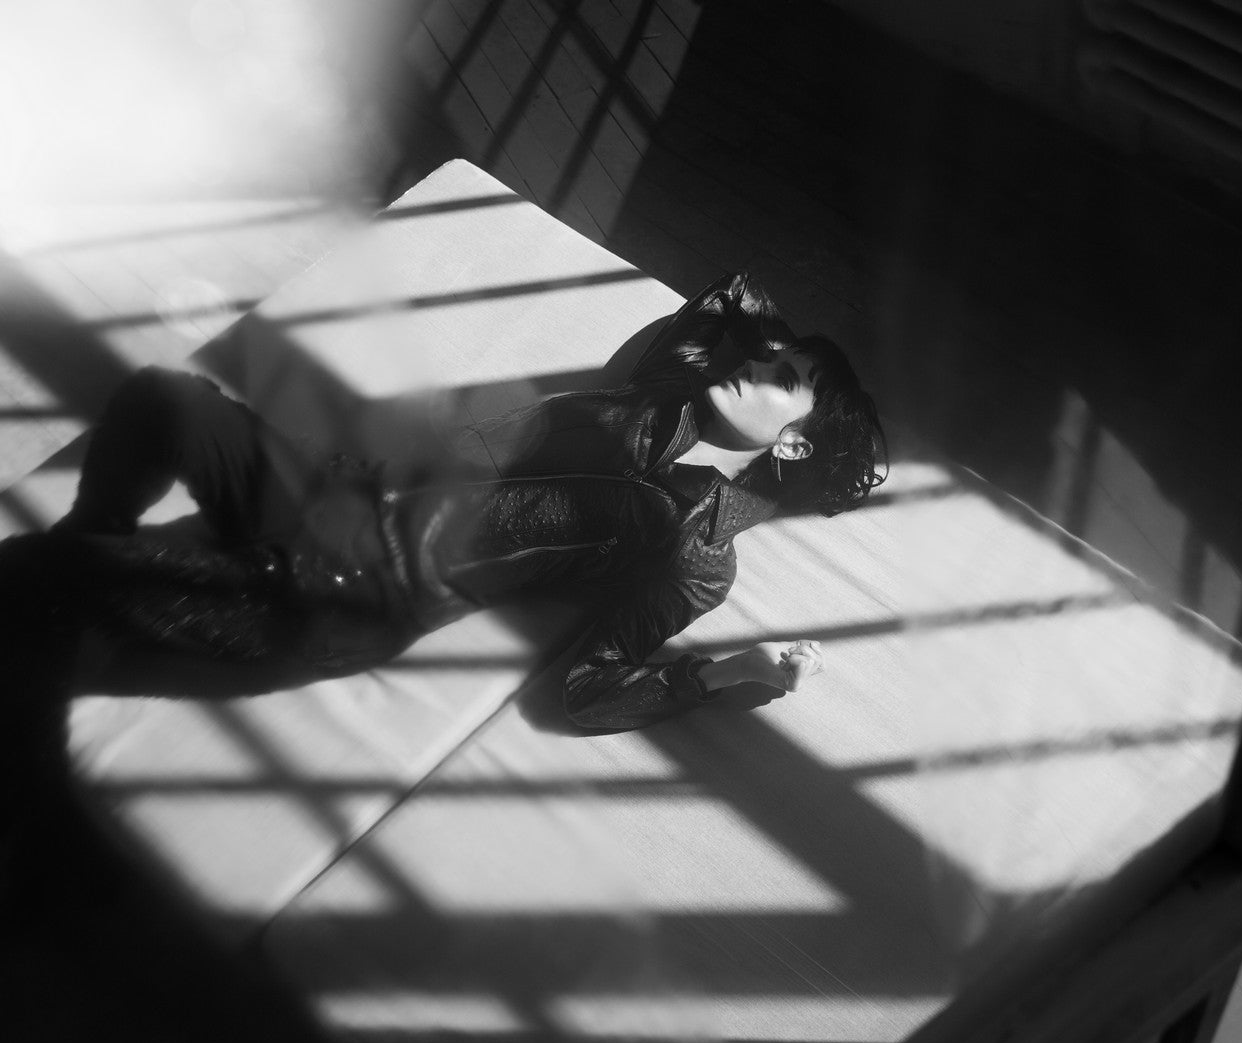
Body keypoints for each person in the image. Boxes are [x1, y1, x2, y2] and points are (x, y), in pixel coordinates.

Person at [0, 272, 885, 812]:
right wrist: (779, 341)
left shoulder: (698, 553)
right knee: (165, 400)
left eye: (787, 378)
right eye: (767, 349)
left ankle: (52, 663)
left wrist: (728, 676)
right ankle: (68, 603)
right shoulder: (661, 392)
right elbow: (732, 296)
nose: (759, 359)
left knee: (43, 579)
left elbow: (588, 690)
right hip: (327, 489)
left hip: (344, 587)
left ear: (797, 443)